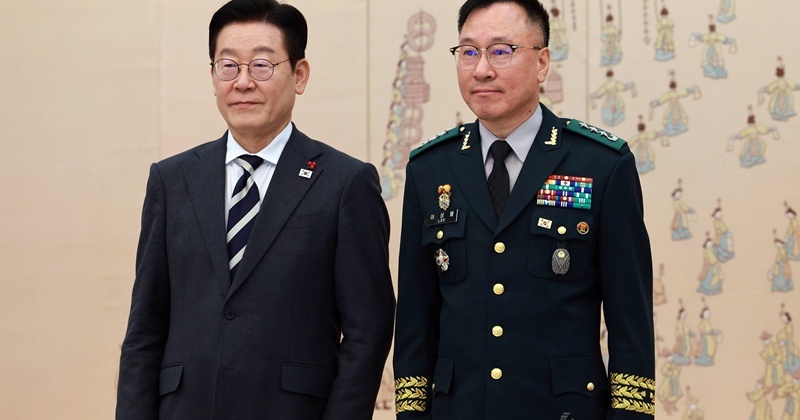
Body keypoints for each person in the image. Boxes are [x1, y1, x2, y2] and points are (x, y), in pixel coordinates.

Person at [116, 1, 395, 419]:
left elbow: (367, 330)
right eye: (228, 66)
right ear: (213, 76)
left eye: (261, 65)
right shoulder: (172, 181)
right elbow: (144, 329)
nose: (243, 82)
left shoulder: (344, 183)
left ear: (299, 75)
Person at [393, 1, 654, 418]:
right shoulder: (430, 169)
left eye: (501, 51)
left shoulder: (601, 164)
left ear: (542, 62)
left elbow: (631, 326)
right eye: (468, 52)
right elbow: (414, 322)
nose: (481, 70)